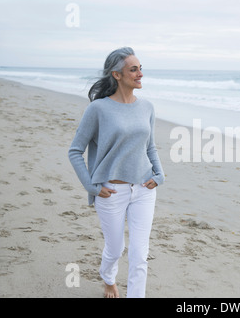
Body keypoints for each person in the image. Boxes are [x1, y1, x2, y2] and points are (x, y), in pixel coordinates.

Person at [68, 47, 165, 298]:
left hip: (144, 189)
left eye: (141, 68)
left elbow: (150, 146)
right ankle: (108, 279)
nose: (140, 74)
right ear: (117, 75)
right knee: (115, 249)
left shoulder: (147, 107)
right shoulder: (98, 109)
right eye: (134, 69)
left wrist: (159, 174)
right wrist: (92, 187)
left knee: (139, 255)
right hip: (111, 191)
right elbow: (75, 151)